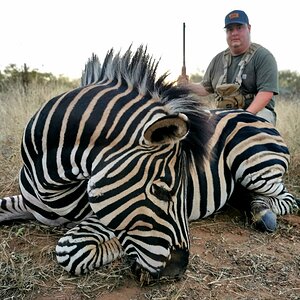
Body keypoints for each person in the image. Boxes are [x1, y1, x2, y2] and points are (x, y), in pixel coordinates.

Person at [178, 10, 278, 125]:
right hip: (224, 113)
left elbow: (266, 93)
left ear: (249, 28)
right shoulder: (217, 60)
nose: (234, 33)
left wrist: (245, 116)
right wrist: (187, 86)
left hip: (257, 112)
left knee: (255, 128)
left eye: (239, 27)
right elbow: (205, 88)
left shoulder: (263, 56)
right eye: (230, 29)